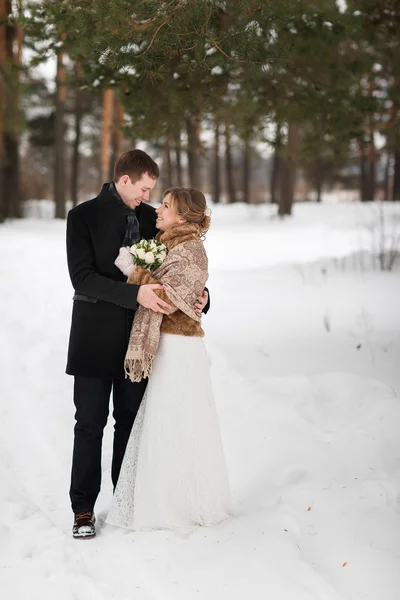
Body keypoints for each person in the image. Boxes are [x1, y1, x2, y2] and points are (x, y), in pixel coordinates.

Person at [66, 150, 209, 539]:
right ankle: (82, 509)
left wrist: (203, 296)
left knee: (130, 422)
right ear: (125, 180)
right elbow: (82, 279)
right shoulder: (81, 217)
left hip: (142, 343)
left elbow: (180, 267)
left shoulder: (152, 218)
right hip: (94, 337)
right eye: (143, 188)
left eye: (152, 191)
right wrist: (136, 296)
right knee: (89, 423)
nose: (147, 197)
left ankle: (125, 501)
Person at [106, 187, 232, 532]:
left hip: (179, 344)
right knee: (162, 421)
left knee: (178, 419)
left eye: (165, 205)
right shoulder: (170, 243)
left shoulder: (190, 249)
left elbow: (168, 297)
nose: (157, 209)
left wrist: (134, 270)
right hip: (165, 342)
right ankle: (162, 498)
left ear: (183, 216)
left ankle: (182, 504)